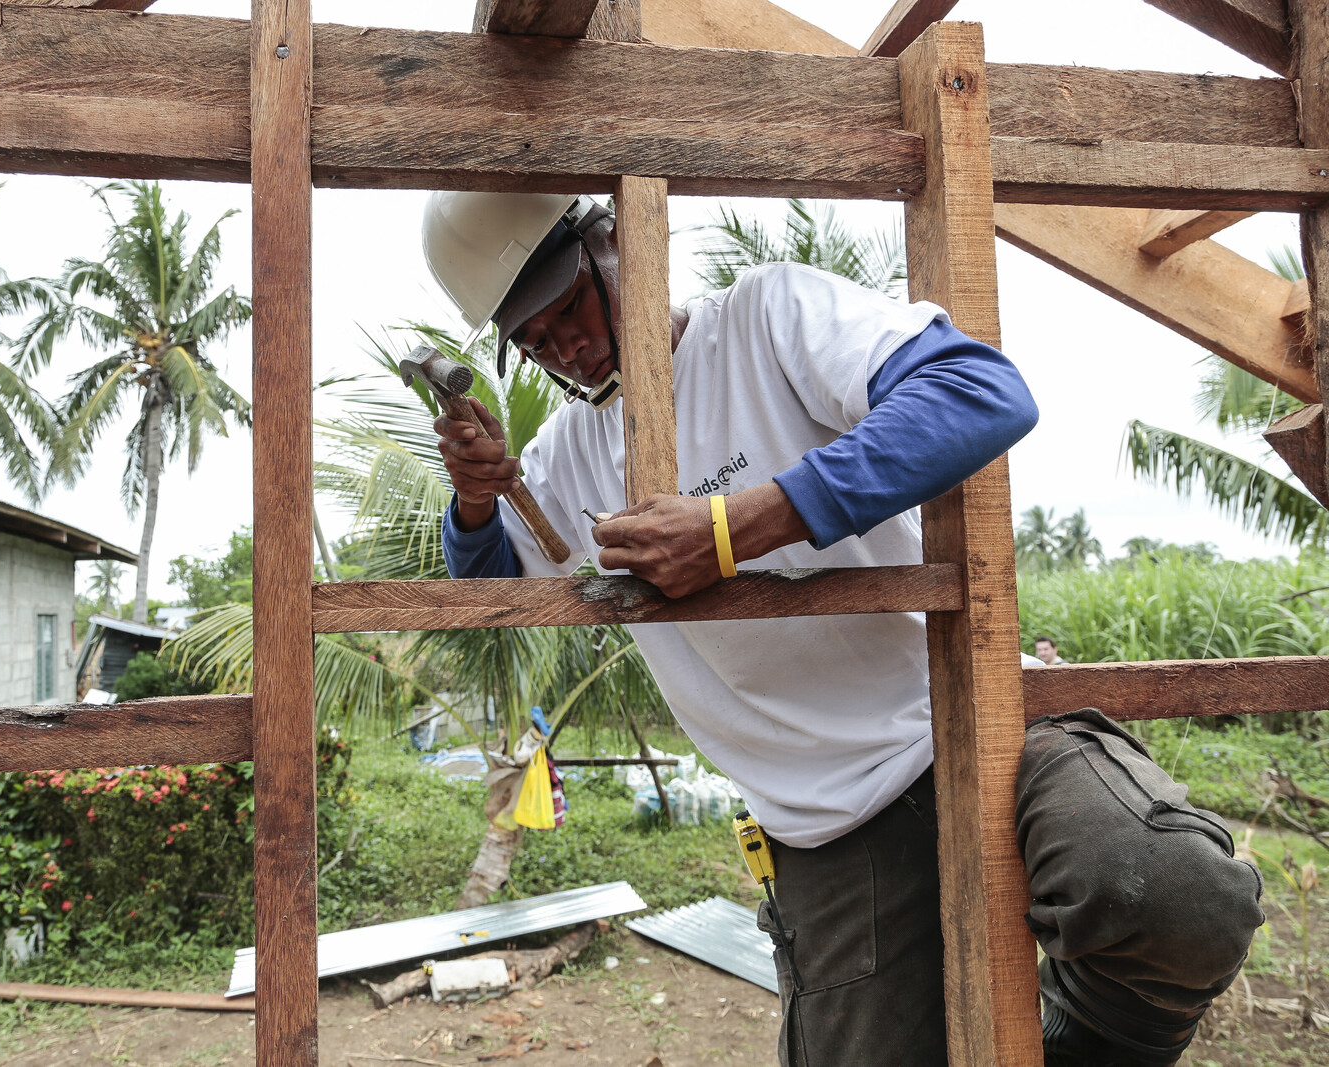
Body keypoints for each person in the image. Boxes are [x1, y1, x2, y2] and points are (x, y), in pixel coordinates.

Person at [420, 191, 1262, 1067]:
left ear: (619, 238)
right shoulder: (561, 456)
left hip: (982, 724)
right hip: (823, 819)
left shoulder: (764, 318)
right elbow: (492, 596)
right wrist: (477, 500)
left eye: (572, 309)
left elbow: (979, 393)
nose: (569, 348)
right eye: (536, 341)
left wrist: (733, 528)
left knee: (1176, 890)